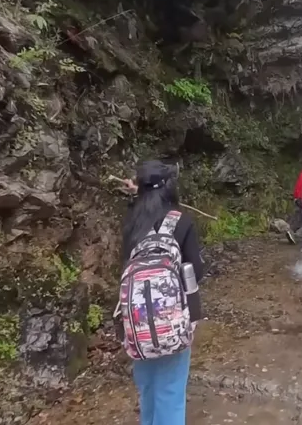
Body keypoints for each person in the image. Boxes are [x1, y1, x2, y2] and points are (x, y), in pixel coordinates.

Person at [118, 161, 205, 425]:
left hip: (136, 321)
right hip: (173, 319)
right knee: (170, 391)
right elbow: (196, 271)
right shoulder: (182, 220)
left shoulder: (132, 221)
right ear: (169, 187)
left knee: (148, 390)